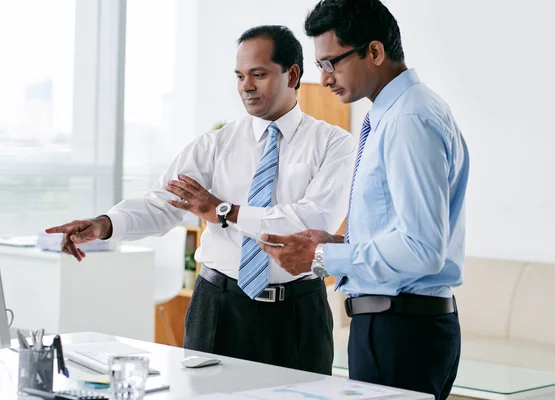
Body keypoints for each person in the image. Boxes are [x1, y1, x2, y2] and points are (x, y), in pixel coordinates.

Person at [46, 25, 356, 375]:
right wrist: (105, 224)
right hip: (219, 309)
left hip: (298, 314)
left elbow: (312, 223)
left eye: (258, 74)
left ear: (293, 74)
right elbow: (162, 203)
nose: (246, 86)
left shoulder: (334, 144)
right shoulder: (215, 145)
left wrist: (224, 211)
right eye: (239, 76)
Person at [258, 1, 469, 398]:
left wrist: (320, 259)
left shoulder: (408, 120)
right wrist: (336, 244)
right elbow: (402, 230)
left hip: (402, 330)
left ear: (374, 52)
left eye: (331, 63)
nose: (324, 78)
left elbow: (422, 249)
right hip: (395, 326)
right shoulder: (396, 114)